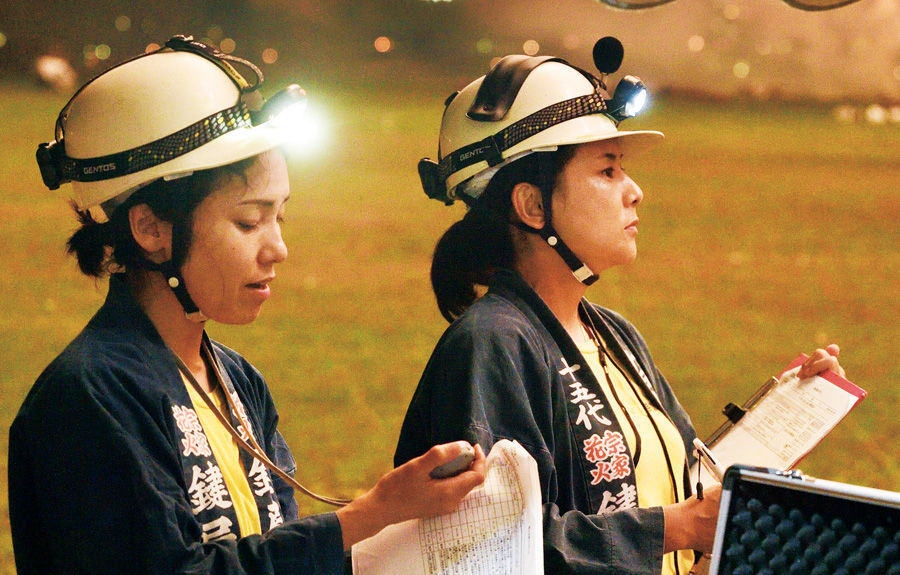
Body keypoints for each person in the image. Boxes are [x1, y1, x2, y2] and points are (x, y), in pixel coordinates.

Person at [9, 36, 486, 575]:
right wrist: (372, 513)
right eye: (248, 221)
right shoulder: (88, 396)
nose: (277, 247)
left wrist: (410, 518)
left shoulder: (238, 379)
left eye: (280, 216)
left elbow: (276, 551)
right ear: (150, 227)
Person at [394, 38, 845, 575]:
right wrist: (675, 528)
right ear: (533, 205)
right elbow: (485, 546)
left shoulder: (613, 333)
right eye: (607, 171)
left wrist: (781, 427)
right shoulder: (492, 343)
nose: (635, 191)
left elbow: (683, 485)